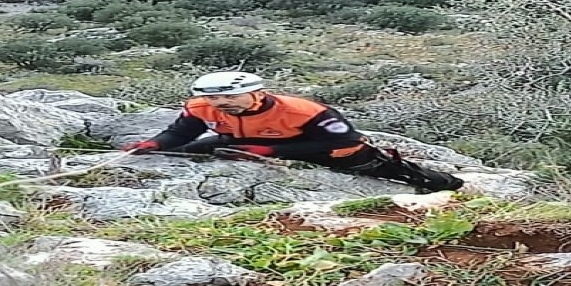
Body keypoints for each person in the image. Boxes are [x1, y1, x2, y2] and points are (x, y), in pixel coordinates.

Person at [122, 71, 464, 193]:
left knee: (382, 169)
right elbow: (180, 133)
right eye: (213, 97)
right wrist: (153, 144)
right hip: (246, 141)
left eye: (229, 96)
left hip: (323, 146)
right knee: (187, 152)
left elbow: (342, 140)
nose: (220, 103)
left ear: (256, 93)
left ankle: (445, 183)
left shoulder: (305, 111)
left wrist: (272, 153)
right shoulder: (200, 107)